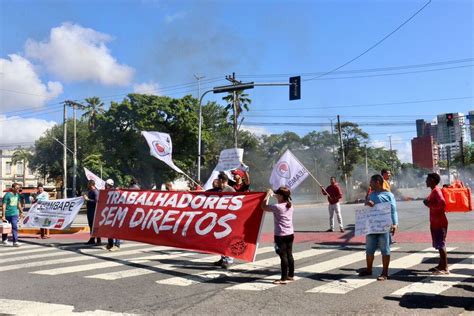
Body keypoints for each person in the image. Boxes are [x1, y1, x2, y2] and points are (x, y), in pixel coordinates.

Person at [359, 174, 398, 281]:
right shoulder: (371, 194)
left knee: (385, 249)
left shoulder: (389, 195)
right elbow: (366, 207)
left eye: (371, 182)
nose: (370, 184)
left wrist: (395, 224)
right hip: (371, 226)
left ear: (377, 182)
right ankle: (368, 269)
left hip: (384, 227)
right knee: (369, 249)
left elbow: (393, 210)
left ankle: (385, 273)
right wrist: (367, 203)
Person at [261, 187, 295, 285]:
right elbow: (278, 199)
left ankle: (283, 278)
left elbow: (263, 206)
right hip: (290, 234)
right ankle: (290, 275)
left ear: (281, 196)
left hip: (281, 235)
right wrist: (273, 194)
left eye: (277, 194)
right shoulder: (290, 205)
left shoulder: (277, 207)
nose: (276, 195)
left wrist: (267, 195)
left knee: (283, 256)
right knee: (289, 255)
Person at [423, 173, 449, 275]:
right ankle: (441, 265)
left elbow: (442, 204)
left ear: (433, 180)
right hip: (435, 222)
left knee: (441, 244)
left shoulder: (436, 191)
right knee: (438, 244)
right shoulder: (434, 191)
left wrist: (428, 204)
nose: (426, 181)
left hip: (440, 222)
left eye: (427, 179)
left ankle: (445, 267)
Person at [214, 172, 236, 269]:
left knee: (228, 239)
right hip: (219, 218)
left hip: (228, 219)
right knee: (220, 240)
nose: (217, 182)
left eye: (218, 180)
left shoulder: (230, 190)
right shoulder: (219, 190)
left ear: (222, 181)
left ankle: (229, 260)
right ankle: (223, 258)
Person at [83, 180, 101, 245]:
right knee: (91, 225)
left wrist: (88, 199)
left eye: (88, 184)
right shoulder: (90, 191)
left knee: (94, 225)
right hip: (90, 211)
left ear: (91, 184)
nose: (87, 185)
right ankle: (92, 239)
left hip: (94, 211)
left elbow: (97, 201)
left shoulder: (95, 191)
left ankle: (98, 240)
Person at [105, 179, 120, 251]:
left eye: (107, 184)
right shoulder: (106, 192)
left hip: (115, 213)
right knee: (108, 229)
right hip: (109, 213)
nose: (105, 186)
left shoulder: (116, 192)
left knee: (115, 229)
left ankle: (117, 245)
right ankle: (110, 244)